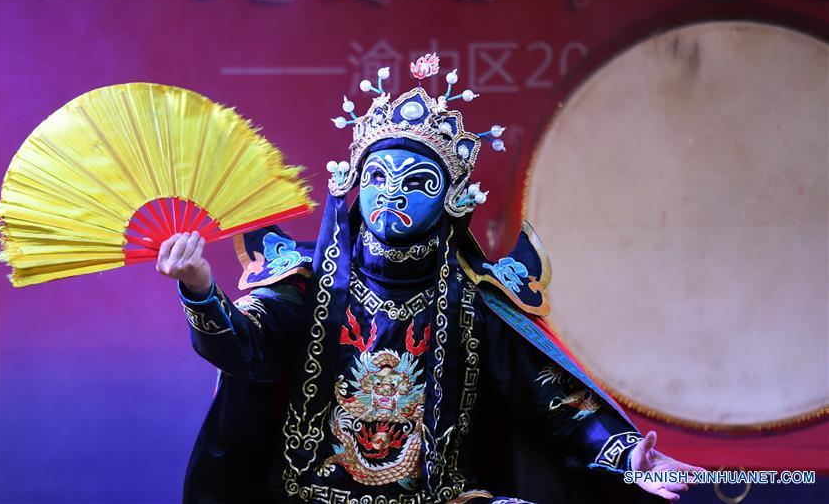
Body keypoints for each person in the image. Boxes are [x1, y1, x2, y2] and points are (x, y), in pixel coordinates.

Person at [156, 55, 704, 503]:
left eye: (416, 181)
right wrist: (200, 288)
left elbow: (556, 404)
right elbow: (244, 346)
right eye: (376, 176)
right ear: (352, 182)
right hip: (312, 496)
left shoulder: (475, 298)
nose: (391, 193)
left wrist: (626, 453)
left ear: (454, 199)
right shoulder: (305, 280)